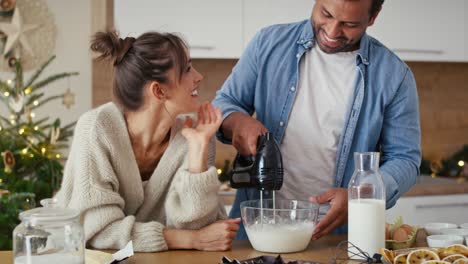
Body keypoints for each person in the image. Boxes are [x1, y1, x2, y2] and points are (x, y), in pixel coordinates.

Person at [213, 0, 421, 240]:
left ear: (373, 17)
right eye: (326, 14)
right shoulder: (268, 43)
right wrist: (237, 121)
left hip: (337, 237)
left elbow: (405, 159)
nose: (332, 31)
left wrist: (360, 196)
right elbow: (225, 102)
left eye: (349, 24)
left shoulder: (394, 75)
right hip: (257, 229)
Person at [55, 31, 240, 252]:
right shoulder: (97, 129)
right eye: (188, 69)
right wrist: (189, 239)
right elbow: (97, 231)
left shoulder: (195, 135)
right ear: (158, 90)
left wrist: (198, 149)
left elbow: (199, 230)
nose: (198, 76)